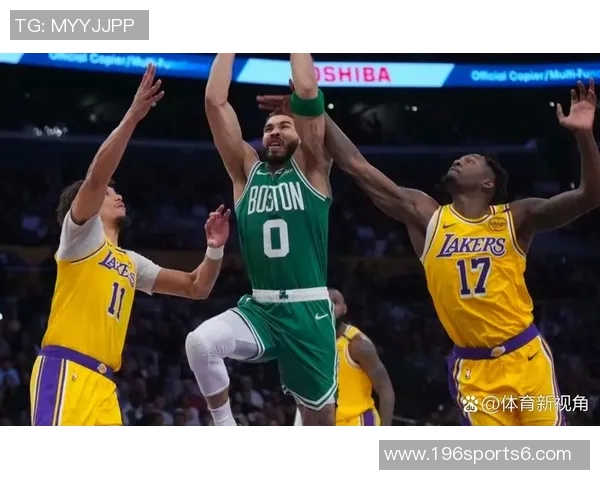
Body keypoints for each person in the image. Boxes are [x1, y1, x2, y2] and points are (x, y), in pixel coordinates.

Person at [258, 80, 600, 426]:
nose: (460, 159)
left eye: (472, 160)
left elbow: (590, 196)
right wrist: (312, 107)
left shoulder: (516, 216)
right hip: (473, 370)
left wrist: (585, 136)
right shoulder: (428, 217)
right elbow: (358, 166)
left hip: (525, 356)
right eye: (461, 157)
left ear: (488, 183)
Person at [30, 64, 231, 426]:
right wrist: (133, 116)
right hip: (66, 370)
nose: (118, 195)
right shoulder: (79, 238)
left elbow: (195, 287)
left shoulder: (131, 262)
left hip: (104, 385)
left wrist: (214, 249)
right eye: (111, 194)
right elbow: (96, 177)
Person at [185, 54, 337, 426]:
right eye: (269, 128)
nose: (274, 132)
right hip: (261, 308)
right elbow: (214, 102)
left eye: (285, 126)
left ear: (301, 135)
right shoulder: (245, 173)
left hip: (308, 311)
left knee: (320, 424)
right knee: (201, 343)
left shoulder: (313, 168)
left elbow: (306, 88)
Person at [294, 288, 395, 426]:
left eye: (334, 302)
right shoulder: (309, 344)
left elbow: (385, 389)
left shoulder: (357, 345)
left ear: (344, 309)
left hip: (358, 420)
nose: (328, 307)